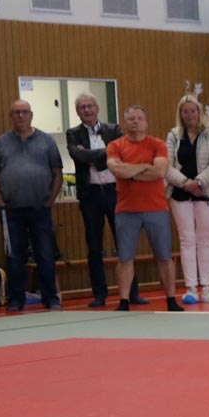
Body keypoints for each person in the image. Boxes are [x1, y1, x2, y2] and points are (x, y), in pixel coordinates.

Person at [67, 93, 145, 307]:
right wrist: (104, 156)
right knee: (94, 246)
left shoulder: (114, 130)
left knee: (124, 244)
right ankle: (99, 294)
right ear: (77, 111)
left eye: (90, 106)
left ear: (97, 108)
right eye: (82, 107)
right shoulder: (73, 133)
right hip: (90, 194)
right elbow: (78, 157)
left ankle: (132, 293)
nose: (87, 110)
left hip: (115, 191)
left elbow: (121, 154)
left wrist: (93, 156)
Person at [0, 99, 63, 311]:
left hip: (41, 208)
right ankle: (16, 299)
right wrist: (0, 201)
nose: (20, 116)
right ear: (10, 117)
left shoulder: (46, 141)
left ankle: (51, 297)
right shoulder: (1, 143)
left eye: (24, 112)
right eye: (16, 113)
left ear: (31, 115)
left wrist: (51, 200)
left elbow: (57, 173)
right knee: (14, 256)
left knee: (45, 254)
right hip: (11, 209)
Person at [106, 105, 183, 312]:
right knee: (125, 257)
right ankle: (123, 301)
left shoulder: (157, 144)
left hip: (156, 207)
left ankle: (171, 299)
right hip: (126, 209)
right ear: (125, 122)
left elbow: (160, 172)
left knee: (164, 256)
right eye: (131, 118)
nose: (135, 122)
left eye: (139, 118)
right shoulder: (115, 145)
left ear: (146, 122)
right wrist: (144, 168)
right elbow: (117, 170)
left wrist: (131, 170)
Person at [165, 94, 209, 305]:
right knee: (187, 239)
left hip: (206, 194)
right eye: (185, 111)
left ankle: (206, 286)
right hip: (180, 194)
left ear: (199, 112)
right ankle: (190, 287)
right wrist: (185, 183)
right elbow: (167, 166)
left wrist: (198, 183)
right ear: (180, 114)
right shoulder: (173, 135)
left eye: (193, 110)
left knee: (205, 239)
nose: (189, 115)